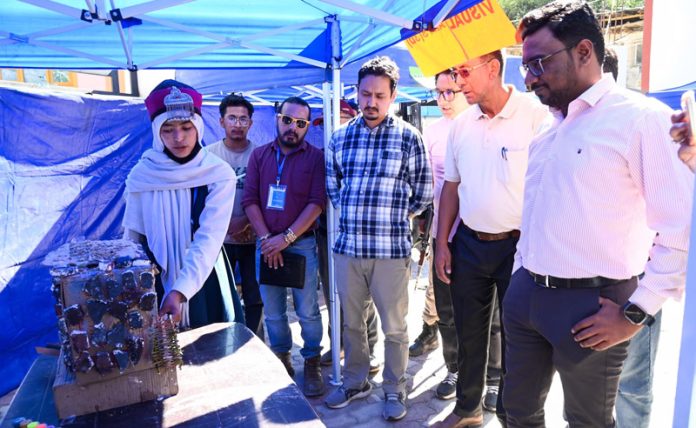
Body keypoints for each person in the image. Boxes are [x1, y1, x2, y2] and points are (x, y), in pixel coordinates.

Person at [504, 2, 692, 427]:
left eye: (538, 63)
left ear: (584, 51)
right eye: (525, 66)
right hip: (527, 294)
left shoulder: (640, 119)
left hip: (593, 307)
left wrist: (637, 312)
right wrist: (519, 280)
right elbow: (535, 215)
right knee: (517, 413)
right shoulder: (548, 127)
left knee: (588, 421)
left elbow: (680, 230)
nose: (530, 77)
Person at [432, 50, 550, 428]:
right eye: (455, 72)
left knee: (518, 336)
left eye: (464, 71)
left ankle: (511, 416)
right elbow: (451, 186)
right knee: (469, 331)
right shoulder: (462, 125)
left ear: (494, 69)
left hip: (518, 246)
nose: (458, 82)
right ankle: (468, 410)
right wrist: (441, 243)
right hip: (468, 242)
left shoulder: (535, 116)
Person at [324, 56, 433, 421]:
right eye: (365, 94)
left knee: (395, 328)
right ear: (356, 92)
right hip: (349, 251)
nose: (371, 102)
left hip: (390, 253)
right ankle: (356, 381)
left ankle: (394, 388)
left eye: (379, 96)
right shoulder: (339, 138)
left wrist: (392, 218)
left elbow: (423, 192)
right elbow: (334, 188)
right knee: (353, 323)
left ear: (392, 96)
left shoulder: (409, 138)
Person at [123, 79, 237, 329]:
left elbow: (209, 237)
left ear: (198, 126)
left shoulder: (219, 174)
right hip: (155, 278)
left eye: (186, 127)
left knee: (208, 352)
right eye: (168, 129)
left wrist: (180, 291)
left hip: (204, 278)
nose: (179, 137)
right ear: (156, 131)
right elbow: (133, 237)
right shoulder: (142, 175)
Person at [242, 96, 327, 398]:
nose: (293, 127)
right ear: (277, 118)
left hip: (301, 245)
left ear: (307, 126)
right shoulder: (260, 156)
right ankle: (281, 357)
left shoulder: (316, 158)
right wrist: (268, 240)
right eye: (287, 120)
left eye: (301, 123)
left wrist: (286, 238)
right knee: (274, 311)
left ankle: (312, 360)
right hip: (265, 246)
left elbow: (317, 203)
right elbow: (249, 200)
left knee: (308, 311)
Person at [600, 46, 664, 428]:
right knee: (592, 386)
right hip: (589, 282)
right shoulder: (565, 127)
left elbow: (672, 221)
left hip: (636, 280)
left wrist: (643, 302)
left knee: (633, 386)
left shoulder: (643, 120)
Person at [408, 70, 469, 403]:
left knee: (486, 313)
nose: (444, 100)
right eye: (439, 92)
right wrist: (424, 223)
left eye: (452, 91)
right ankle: (455, 368)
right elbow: (428, 184)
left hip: (482, 234)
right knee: (445, 309)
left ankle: (490, 377)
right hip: (441, 234)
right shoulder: (431, 132)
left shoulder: (480, 124)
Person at [314, 99, 381, 373]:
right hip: (326, 232)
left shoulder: (367, 151)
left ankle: (371, 348)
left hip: (361, 233)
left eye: (340, 116)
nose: (334, 123)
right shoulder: (322, 153)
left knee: (364, 294)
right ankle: (339, 343)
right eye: (329, 119)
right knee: (334, 291)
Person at [206, 94, 264, 338]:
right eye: (232, 118)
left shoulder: (261, 155)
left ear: (251, 123)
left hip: (253, 238)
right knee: (220, 297)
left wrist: (248, 222)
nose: (237, 124)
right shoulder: (208, 156)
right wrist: (225, 225)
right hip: (221, 240)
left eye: (243, 119)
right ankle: (222, 343)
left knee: (255, 297)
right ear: (221, 122)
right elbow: (202, 199)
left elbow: (268, 195)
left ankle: (255, 345)